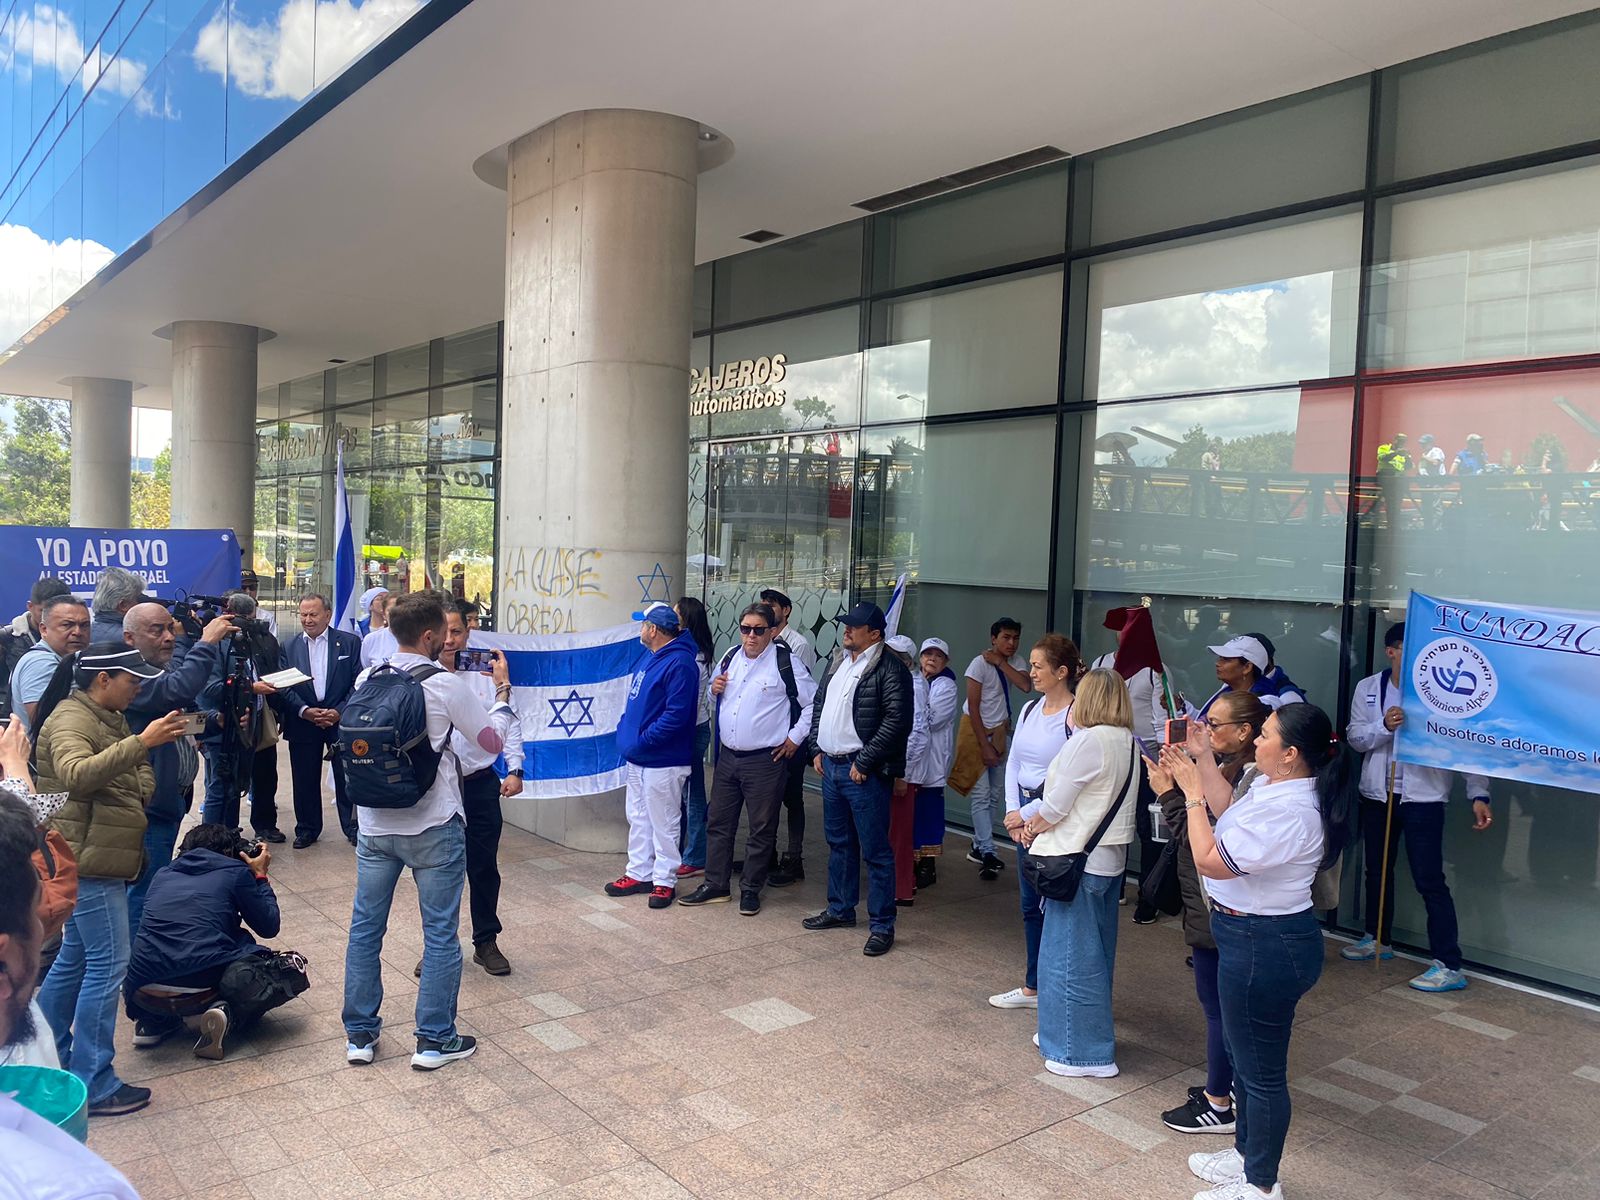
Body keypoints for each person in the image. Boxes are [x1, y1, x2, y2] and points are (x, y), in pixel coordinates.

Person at [1162, 704, 1351, 1200]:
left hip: (1266, 944)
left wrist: (1190, 795)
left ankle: (1261, 1185)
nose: (1256, 740)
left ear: (1289, 754)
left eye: (1265, 734)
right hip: (1245, 936)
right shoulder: (1273, 786)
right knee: (1243, 1059)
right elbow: (1230, 811)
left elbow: (1210, 860)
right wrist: (1202, 758)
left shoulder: (1293, 811)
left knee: (1262, 1074)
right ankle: (1246, 1156)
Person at [342, 593, 501, 1070]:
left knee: (366, 930)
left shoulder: (367, 677)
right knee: (439, 934)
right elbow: (489, 743)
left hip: (374, 826)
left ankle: (360, 1037)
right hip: (433, 825)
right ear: (430, 636)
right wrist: (505, 699)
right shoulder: (446, 685)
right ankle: (434, 1040)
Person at [33, 645, 189, 1118]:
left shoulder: (104, 714)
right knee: (106, 965)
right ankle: (95, 1081)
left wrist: (138, 779)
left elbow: (139, 775)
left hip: (97, 854)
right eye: (132, 680)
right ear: (103, 679)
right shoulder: (71, 720)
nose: (138, 687)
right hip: (91, 861)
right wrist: (145, 742)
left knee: (75, 960)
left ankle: (50, 1056)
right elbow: (75, 775)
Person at [0, 789, 143, 1200]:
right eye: (39, 915)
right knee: (106, 963)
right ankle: (96, 1078)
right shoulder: (72, 1188)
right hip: (101, 861)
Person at [1343, 621, 1490, 992]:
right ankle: (1378, 939)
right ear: (1391, 651)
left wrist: (1479, 793)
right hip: (1379, 795)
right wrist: (1384, 726)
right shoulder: (1369, 688)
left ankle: (1448, 963)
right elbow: (1356, 738)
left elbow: (1466, 747)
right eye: (1408, 649)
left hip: (1424, 799)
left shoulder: (1445, 691)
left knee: (1429, 880)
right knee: (1377, 872)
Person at [1147, 691, 1269, 1136]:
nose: (1204, 731)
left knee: (1219, 1007)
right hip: (1209, 898)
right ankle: (1224, 1086)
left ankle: (1219, 1101)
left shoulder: (1251, 779)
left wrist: (1171, 794)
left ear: (1246, 732)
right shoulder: (1226, 771)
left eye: (1214, 725)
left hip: (1219, 900)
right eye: (1204, 722)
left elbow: (1207, 841)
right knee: (1220, 1005)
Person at [1020, 668, 1139, 1077]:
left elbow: (1054, 806)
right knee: (1094, 955)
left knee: (1068, 958)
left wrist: (1029, 826)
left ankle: (1079, 1051)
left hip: (1077, 858)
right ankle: (1063, 1031)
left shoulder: (1089, 741)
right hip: (1106, 861)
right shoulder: (1126, 740)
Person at [680, 602, 816, 915]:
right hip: (728, 757)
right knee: (718, 822)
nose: (751, 636)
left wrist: (795, 739)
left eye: (758, 630)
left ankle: (751, 889)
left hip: (764, 759)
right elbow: (712, 698)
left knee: (761, 827)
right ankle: (715, 884)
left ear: (771, 631)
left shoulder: (786, 663)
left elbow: (812, 704)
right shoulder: (729, 658)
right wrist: (714, 690)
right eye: (745, 629)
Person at [124, 824, 296, 1059]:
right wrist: (260, 876)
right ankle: (226, 1013)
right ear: (229, 852)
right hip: (199, 984)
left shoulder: (162, 874)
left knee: (181, 947)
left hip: (142, 989)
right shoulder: (234, 873)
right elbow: (269, 926)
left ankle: (152, 1023)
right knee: (279, 968)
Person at [802, 601, 913, 957]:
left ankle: (882, 924)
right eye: (846, 624)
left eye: (854, 626)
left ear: (875, 634)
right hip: (832, 767)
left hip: (861, 771)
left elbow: (897, 722)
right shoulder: (839, 661)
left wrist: (864, 761)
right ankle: (840, 909)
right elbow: (820, 705)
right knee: (839, 843)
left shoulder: (890, 668)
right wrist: (816, 748)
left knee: (876, 851)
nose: (846, 630)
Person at [120, 601, 234, 938]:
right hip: (148, 807)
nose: (169, 637)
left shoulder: (155, 671)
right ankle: (134, 969)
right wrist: (206, 643)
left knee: (151, 884)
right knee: (143, 889)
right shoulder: (131, 676)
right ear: (129, 637)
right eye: (157, 630)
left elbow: (178, 721)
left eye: (171, 628)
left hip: (170, 798)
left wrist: (216, 722)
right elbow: (178, 690)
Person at [989, 633, 1082, 1011]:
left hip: (1050, 816)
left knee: (1051, 903)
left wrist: (1025, 815)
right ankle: (1034, 984)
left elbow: (1072, 780)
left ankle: (1054, 985)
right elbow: (1014, 762)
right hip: (1023, 813)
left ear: (1062, 672)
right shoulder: (1029, 710)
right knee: (1029, 904)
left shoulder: (1076, 718)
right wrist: (1013, 811)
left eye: (1038, 666)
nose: (1031, 672)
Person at [430, 600, 522, 977]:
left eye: (457, 632)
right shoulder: (425, 675)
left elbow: (510, 721)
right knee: (438, 870)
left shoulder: (485, 674)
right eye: (445, 632)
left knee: (483, 867)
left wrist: (515, 769)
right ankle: (439, 946)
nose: (450, 640)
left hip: (480, 783)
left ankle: (486, 941)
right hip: (438, 787)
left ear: (469, 633)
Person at [606, 603, 701, 908]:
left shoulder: (681, 663)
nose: (640, 629)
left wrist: (643, 740)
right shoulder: (653, 657)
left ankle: (664, 881)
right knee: (639, 818)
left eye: (643, 624)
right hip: (640, 757)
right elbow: (635, 704)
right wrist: (627, 733)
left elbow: (676, 716)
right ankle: (639, 872)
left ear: (654, 630)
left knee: (665, 822)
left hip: (663, 759)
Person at [1092, 606, 1170, 923]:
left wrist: (1166, 764)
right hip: (1108, 757)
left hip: (1145, 759)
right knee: (1110, 821)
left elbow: (1164, 719)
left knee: (1147, 828)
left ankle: (1148, 898)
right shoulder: (1101, 664)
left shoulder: (1155, 670)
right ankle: (1117, 885)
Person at [278, 593, 363, 848]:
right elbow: (283, 686)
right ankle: (307, 828)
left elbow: (358, 681)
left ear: (327, 614)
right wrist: (304, 710)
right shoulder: (288, 646)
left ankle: (352, 827)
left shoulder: (349, 643)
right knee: (304, 779)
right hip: (304, 722)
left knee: (347, 775)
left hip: (340, 720)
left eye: (313, 614)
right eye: (303, 614)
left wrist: (339, 710)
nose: (307, 619)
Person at [951, 617, 1032, 880]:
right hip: (976, 731)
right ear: (993, 638)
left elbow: (1025, 684)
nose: (1011, 643)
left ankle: (978, 843)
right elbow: (973, 706)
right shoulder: (978, 663)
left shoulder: (1014, 661)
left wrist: (1000, 662)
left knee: (996, 792)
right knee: (981, 793)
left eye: (1015, 638)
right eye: (1006, 637)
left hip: (1000, 731)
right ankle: (987, 849)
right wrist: (984, 746)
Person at [196, 592, 283, 835]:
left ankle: (230, 835)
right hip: (220, 729)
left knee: (235, 786)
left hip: (246, 726)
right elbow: (208, 689)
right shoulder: (215, 643)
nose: (249, 624)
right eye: (244, 619)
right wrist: (251, 687)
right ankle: (211, 842)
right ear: (229, 616)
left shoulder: (246, 641)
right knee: (219, 788)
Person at [760, 587, 817, 886]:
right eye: (764, 603)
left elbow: (801, 692)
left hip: (792, 730)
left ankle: (794, 859)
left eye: (772, 604)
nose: (767, 607)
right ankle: (765, 855)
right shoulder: (759, 639)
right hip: (768, 733)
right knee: (766, 799)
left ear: (787, 610)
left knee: (792, 798)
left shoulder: (799, 644)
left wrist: (797, 736)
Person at [906, 637, 958, 889]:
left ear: (945, 661)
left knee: (928, 815)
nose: (932, 660)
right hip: (916, 761)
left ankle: (927, 865)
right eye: (928, 654)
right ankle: (912, 862)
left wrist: (913, 707)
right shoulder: (918, 680)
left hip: (933, 761)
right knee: (913, 815)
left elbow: (932, 719)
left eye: (938, 656)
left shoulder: (946, 685)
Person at [675, 596, 716, 881]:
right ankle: (685, 852)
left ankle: (695, 856)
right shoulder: (694, 652)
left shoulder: (695, 657)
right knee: (686, 794)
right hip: (694, 729)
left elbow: (692, 701)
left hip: (691, 730)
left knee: (692, 795)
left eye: (676, 614)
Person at [8, 595, 92, 733]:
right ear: (44, 630)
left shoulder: (71, 658)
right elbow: (47, 724)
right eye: (67, 625)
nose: (78, 632)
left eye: (84, 625)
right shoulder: (39, 663)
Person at [883, 634, 922, 907]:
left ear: (906, 662)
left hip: (903, 773)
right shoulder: (899, 681)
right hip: (894, 768)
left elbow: (917, 734)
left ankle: (901, 888)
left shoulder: (914, 686)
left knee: (899, 835)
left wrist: (901, 774)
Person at [0, 577, 70, 720]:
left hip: (62, 714)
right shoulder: (6, 639)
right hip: (13, 720)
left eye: (58, 611)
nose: (51, 617)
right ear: (30, 606)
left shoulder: (77, 637)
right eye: (43, 611)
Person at [1190, 635, 1303, 720]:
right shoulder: (1229, 688)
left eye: (1226, 659)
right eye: (1220, 658)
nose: (1218, 663)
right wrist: (1182, 707)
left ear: (1247, 667)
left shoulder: (1263, 704)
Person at [88, 568, 147, 645]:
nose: (140, 604)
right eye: (138, 599)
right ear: (123, 605)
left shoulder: (84, 635)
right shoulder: (131, 640)